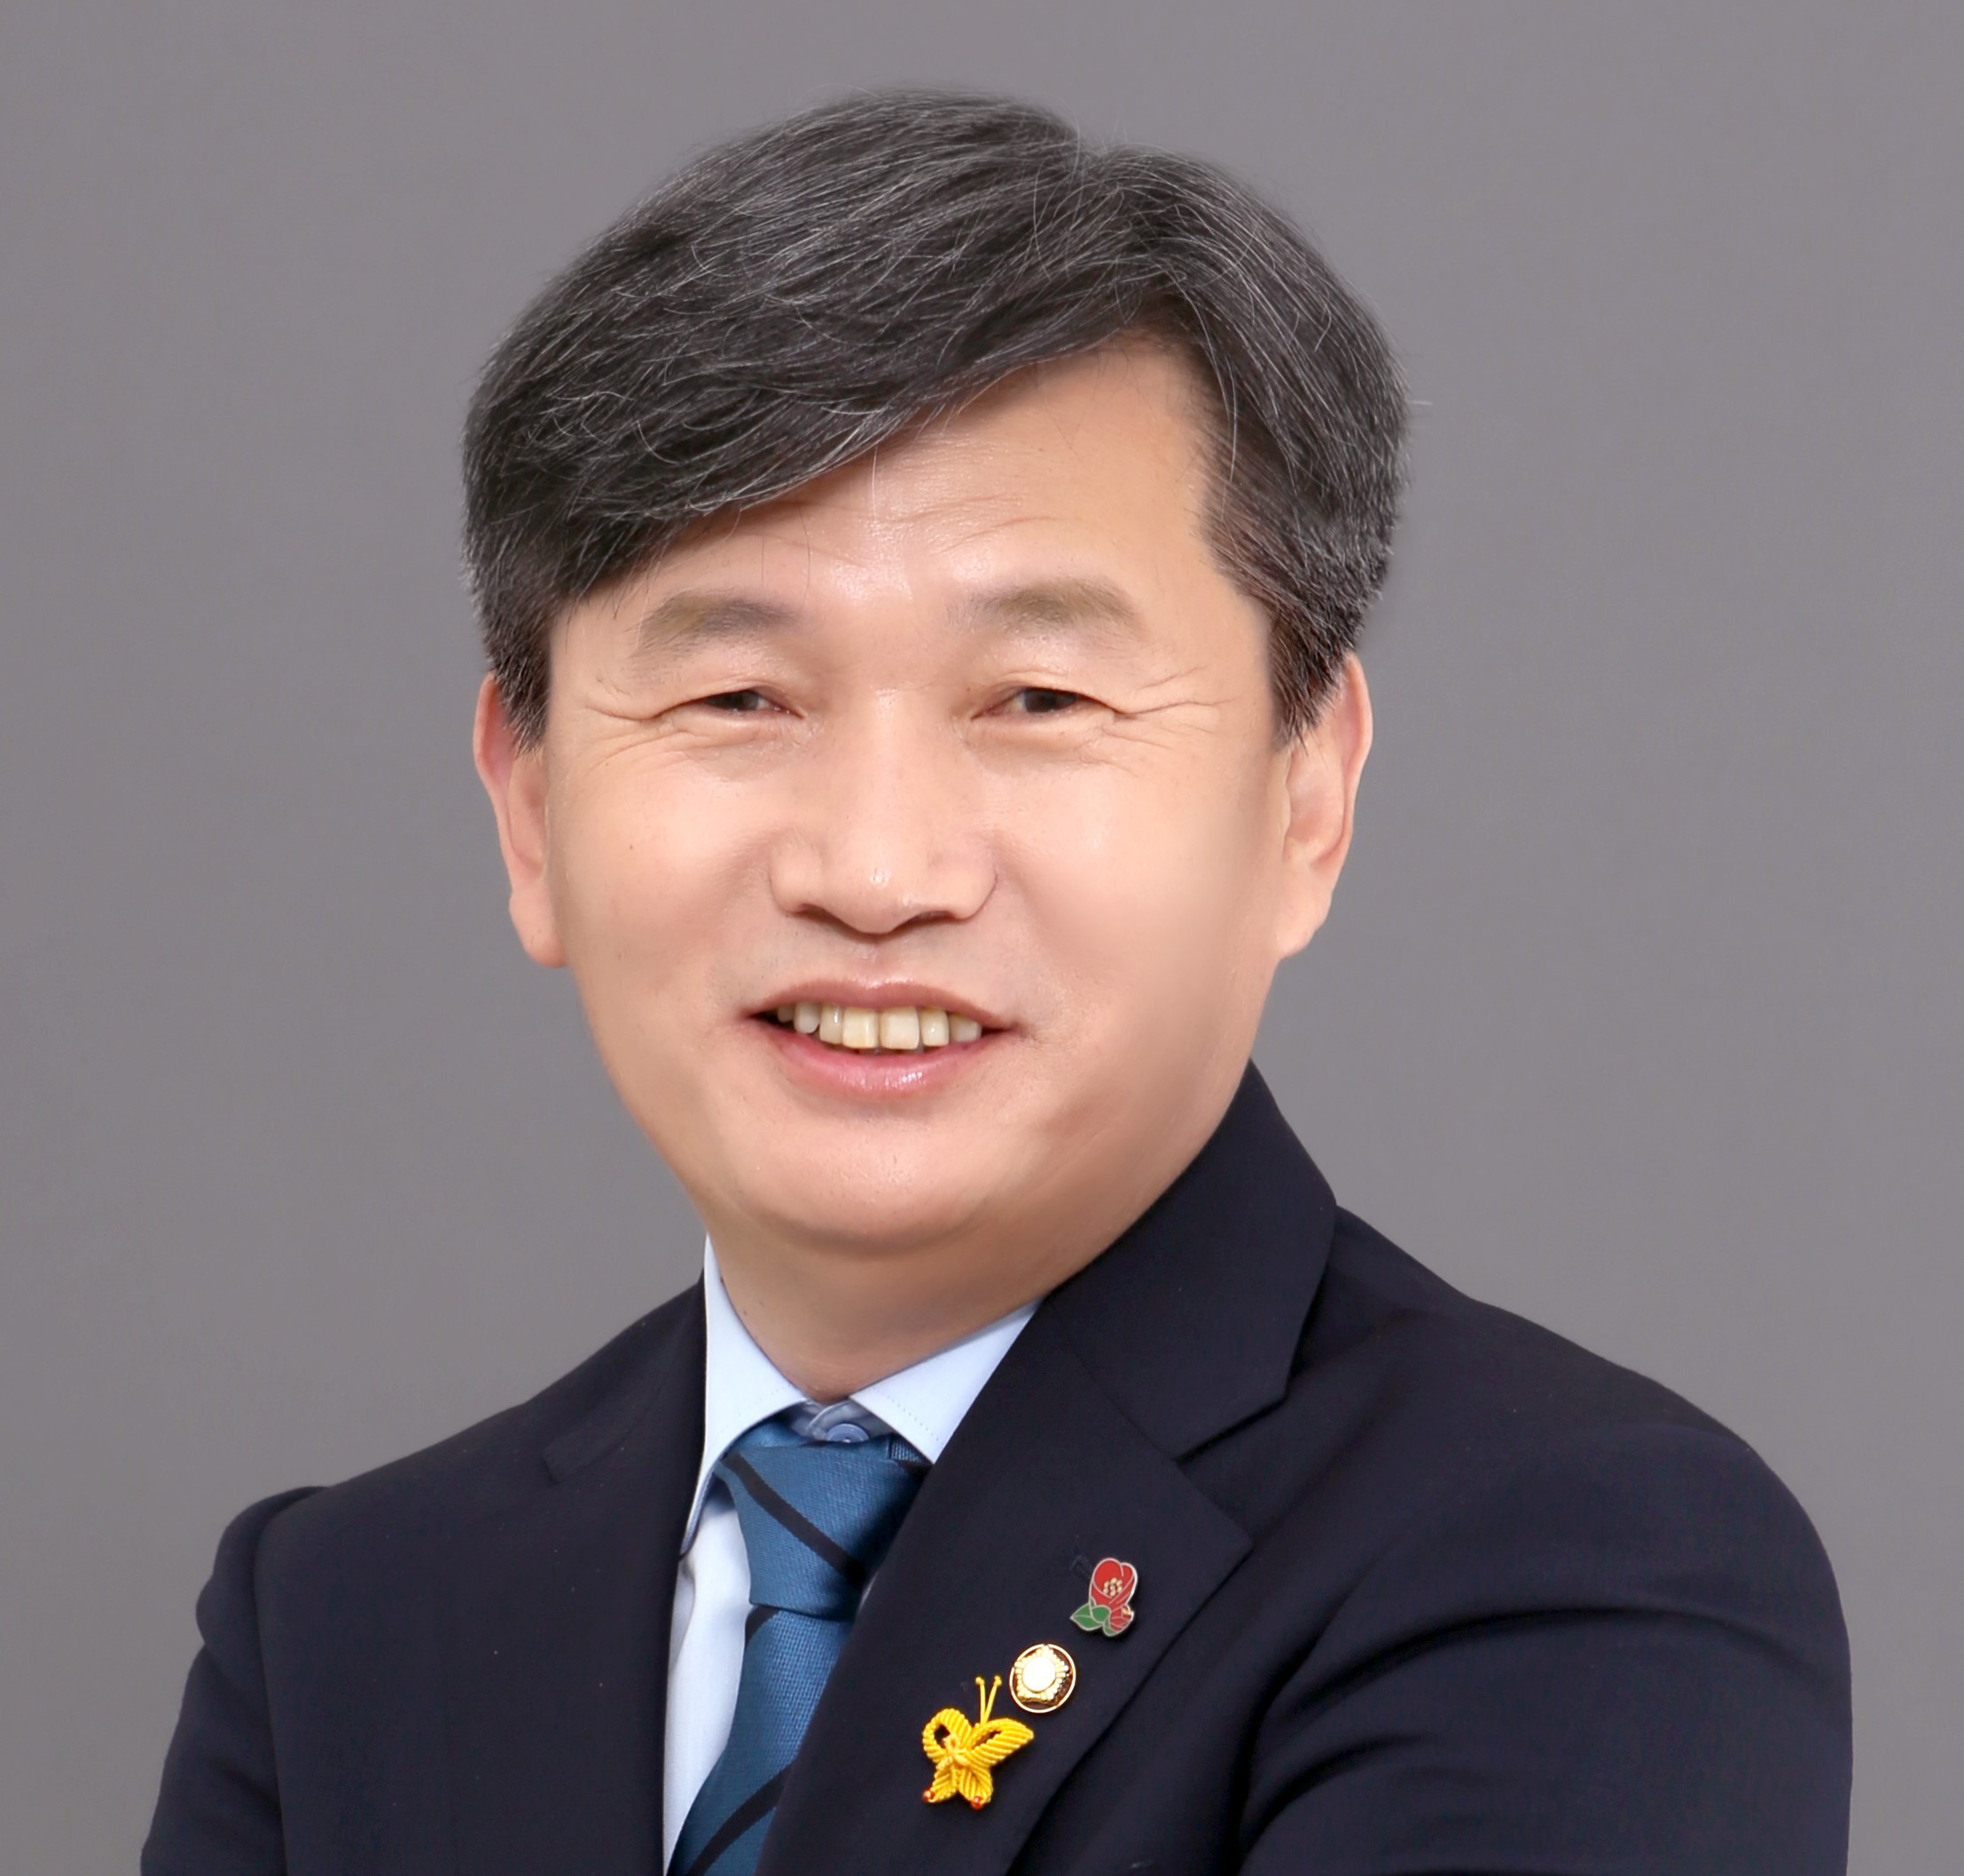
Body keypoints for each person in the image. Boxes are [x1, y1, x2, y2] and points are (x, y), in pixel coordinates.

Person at [142, 92, 1851, 1876]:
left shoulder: (1570, 1567)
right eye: (738, 698)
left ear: (1306, 794)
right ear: (528, 807)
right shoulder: (344, 1623)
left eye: (1038, 699)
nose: (877, 871)